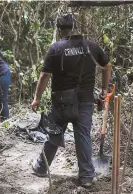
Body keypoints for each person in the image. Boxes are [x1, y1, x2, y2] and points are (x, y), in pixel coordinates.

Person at [30, 13, 111, 187]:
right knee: (83, 137)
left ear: (59, 29)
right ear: (73, 26)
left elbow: (44, 76)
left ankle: (41, 167)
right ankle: (87, 177)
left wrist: (36, 98)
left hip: (62, 101)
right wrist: (104, 89)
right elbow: (106, 66)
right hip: (86, 101)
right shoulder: (91, 46)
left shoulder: (56, 48)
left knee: (54, 133)